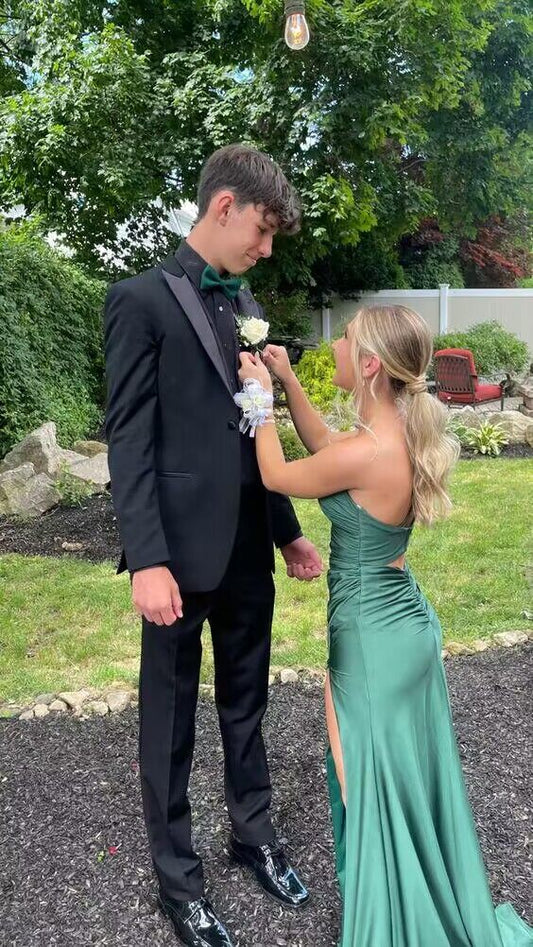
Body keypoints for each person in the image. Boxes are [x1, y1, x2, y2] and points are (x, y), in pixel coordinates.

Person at [237, 305, 533, 947]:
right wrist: (286, 381)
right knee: (396, 784)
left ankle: (395, 925)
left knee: (364, 782)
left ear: (370, 364)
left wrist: (258, 399)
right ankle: (410, 903)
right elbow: (325, 446)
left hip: (373, 639)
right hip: (397, 627)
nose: (336, 347)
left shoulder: (370, 451)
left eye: (345, 339)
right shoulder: (383, 433)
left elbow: (276, 475)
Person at [104, 144, 323, 947]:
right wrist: (147, 558)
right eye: (261, 230)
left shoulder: (244, 302)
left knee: (246, 699)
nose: (264, 248)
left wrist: (286, 531)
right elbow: (129, 439)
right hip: (175, 555)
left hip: (246, 548)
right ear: (223, 206)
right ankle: (179, 882)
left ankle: (252, 834)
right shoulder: (138, 300)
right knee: (168, 722)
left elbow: (250, 428)